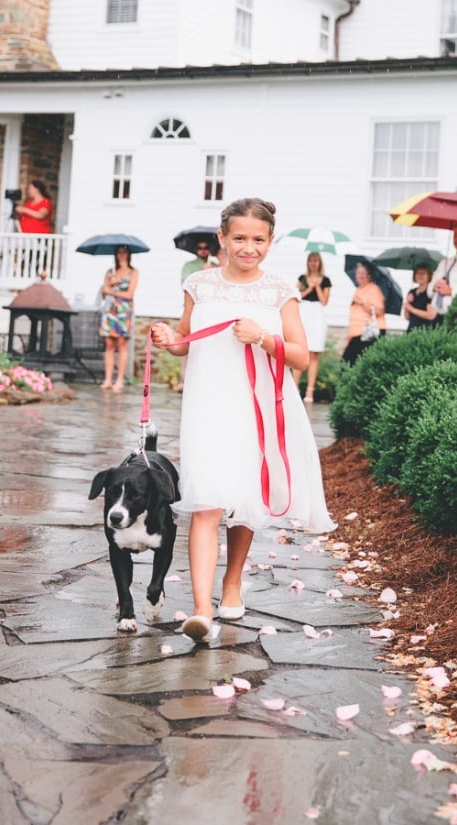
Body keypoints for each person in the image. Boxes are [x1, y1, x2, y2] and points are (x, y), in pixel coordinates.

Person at [151, 197, 336, 643]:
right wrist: (168, 339)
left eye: (258, 239)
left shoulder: (279, 290)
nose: (247, 247)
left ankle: (232, 582)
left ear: (270, 242)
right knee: (207, 498)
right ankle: (199, 609)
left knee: (246, 496)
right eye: (239, 238)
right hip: (208, 405)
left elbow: (300, 353)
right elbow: (186, 340)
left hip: (258, 406)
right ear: (222, 239)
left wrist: (265, 338)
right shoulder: (200, 284)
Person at [176, 240, 220, 392]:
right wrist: (202, 274)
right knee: (188, 341)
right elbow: (185, 285)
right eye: (200, 247)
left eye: (206, 247)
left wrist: (212, 271)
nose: (203, 250)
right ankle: (184, 379)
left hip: (212, 311)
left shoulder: (217, 266)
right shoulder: (189, 266)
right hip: (193, 309)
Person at [292, 252, 331, 404]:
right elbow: (298, 295)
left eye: (316, 261)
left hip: (317, 314)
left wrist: (318, 287)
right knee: (300, 348)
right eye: (311, 261)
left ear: (320, 263)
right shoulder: (302, 278)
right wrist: (309, 287)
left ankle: (310, 389)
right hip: (304, 312)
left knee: (313, 353)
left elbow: (324, 301)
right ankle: (294, 387)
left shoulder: (326, 280)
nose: (314, 264)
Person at [99, 245, 139, 392]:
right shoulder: (110, 272)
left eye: (124, 252)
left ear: (128, 254)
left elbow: (129, 294)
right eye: (119, 252)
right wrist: (111, 284)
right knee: (109, 344)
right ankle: (108, 379)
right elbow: (104, 293)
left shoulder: (133, 272)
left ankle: (120, 379)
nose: (121, 255)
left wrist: (111, 291)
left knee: (122, 344)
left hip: (124, 310)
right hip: (110, 310)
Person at [342, 260, 386, 366]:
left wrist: (362, 302)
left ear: (369, 275)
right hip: (356, 333)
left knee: (353, 363)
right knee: (347, 362)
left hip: (367, 333)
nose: (360, 276)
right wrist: (349, 335)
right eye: (358, 273)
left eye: (363, 273)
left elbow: (379, 311)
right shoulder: (358, 290)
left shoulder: (374, 289)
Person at [404, 264, 437, 332]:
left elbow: (431, 315)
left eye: (423, 273)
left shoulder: (430, 293)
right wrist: (407, 303)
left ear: (428, 276)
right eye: (417, 273)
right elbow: (407, 317)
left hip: (424, 331)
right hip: (411, 330)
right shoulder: (412, 292)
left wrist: (411, 309)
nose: (420, 276)